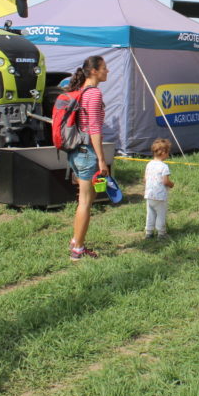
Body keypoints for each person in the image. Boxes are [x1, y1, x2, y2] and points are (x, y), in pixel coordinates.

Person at [66, 55, 109, 261]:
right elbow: (94, 128)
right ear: (94, 71)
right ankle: (78, 249)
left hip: (76, 151)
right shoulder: (94, 94)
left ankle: (76, 240)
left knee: (85, 199)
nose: (107, 71)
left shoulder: (80, 91)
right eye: (104, 68)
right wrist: (101, 159)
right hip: (87, 152)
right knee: (85, 202)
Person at [144, 138, 175, 240]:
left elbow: (145, 179)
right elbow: (165, 181)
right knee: (161, 214)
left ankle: (149, 232)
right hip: (160, 196)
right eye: (167, 153)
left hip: (149, 195)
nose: (168, 155)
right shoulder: (164, 167)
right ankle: (161, 233)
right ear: (163, 153)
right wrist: (171, 184)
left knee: (150, 213)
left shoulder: (149, 164)